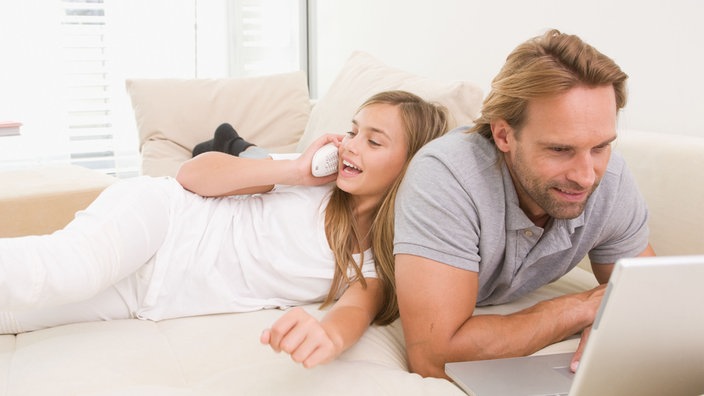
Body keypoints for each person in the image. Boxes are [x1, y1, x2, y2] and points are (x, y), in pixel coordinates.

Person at [0, 90, 449, 369]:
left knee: (17, 314)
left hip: (151, 296)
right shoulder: (306, 180)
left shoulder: (370, 265)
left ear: (413, 168)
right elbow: (191, 176)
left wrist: (327, 335)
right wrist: (293, 169)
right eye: (352, 131)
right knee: (63, 270)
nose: (350, 145)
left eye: (373, 141)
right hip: (161, 220)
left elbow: (353, 313)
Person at [393, 29, 656, 379]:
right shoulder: (447, 175)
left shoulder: (610, 179)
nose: (586, 176)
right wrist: (582, 306)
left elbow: (651, 298)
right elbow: (434, 357)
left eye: (600, 146)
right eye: (560, 149)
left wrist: (617, 323)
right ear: (504, 135)